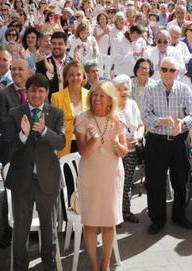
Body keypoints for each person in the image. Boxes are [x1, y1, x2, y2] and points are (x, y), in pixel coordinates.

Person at [3, 73, 66, 271]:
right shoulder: (15, 114)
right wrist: (23, 134)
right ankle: (20, 267)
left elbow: (61, 142)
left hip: (47, 180)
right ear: (27, 92)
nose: (36, 94)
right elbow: (5, 149)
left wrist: (45, 131)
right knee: (21, 229)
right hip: (22, 180)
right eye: (33, 90)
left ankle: (49, 265)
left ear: (47, 93)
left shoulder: (56, 113)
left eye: (41, 90)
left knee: (49, 228)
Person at [141, 56, 192, 234]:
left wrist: (181, 124)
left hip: (179, 142)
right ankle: (157, 219)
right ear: (159, 71)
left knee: (181, 180)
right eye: (164, 69)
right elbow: (145, 116)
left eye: (172, 70)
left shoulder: (184, 89)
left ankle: (179, 215)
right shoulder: (150, 89)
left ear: (177, 72)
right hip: (156, 141)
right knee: (155, 182)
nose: (168, 73)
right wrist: (163, 121)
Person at [74, 81, 128, 271]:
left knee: (109, 222)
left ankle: (105, 265)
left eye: (102, 95)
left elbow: (124, 151)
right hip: (90, 175)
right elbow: (83, 153)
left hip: (112, 175)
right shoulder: (82, 118)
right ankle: (94, 266)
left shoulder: (117, 118)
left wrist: (115, 143)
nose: (97, 98)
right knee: (90, 223)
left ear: (109, 100)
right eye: (94, 94)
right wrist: (95, 140)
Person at [111, 75, 144, 223]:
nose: (123, 92)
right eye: (119, 89)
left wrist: (138, 136)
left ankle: (125, 211)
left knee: (127, 182)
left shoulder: (133, 104)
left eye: (125, 89)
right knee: (114, 184)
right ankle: (113, 215)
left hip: (131, 152)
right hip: (114, 152)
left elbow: (141, 125)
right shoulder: (109, 107)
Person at [50, 61, 90, 157]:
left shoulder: (90, 95)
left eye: (78, 74)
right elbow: (54, 125)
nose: (75, 78)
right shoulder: (56, 97)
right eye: (71, 75)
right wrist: (75, 123)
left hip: (86, 143)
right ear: (66, 77)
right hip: (65, 146)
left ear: (83, 76)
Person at [35, 31, 71, 96]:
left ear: (66, 45)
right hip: (51, 104)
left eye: (60, 43)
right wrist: (49, 73)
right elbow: (39, 86)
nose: (56, 46)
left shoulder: (73, 63)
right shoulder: (41, 65)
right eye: (54, 43)